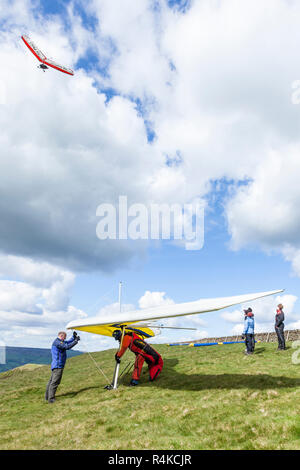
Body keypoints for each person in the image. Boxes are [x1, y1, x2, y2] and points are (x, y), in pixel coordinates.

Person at [45, 331, 80, 403]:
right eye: (64, 337)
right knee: (55, 382)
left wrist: (73, 337)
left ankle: (47, 397)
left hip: (56, 365)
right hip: (58, 365)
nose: (65, 339)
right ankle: (51, 399)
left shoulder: (58, 341)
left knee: (51, 381)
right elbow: (67, 346)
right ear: (61, 336)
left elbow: (66, 342)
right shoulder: (58, 342)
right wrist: (75, 341)